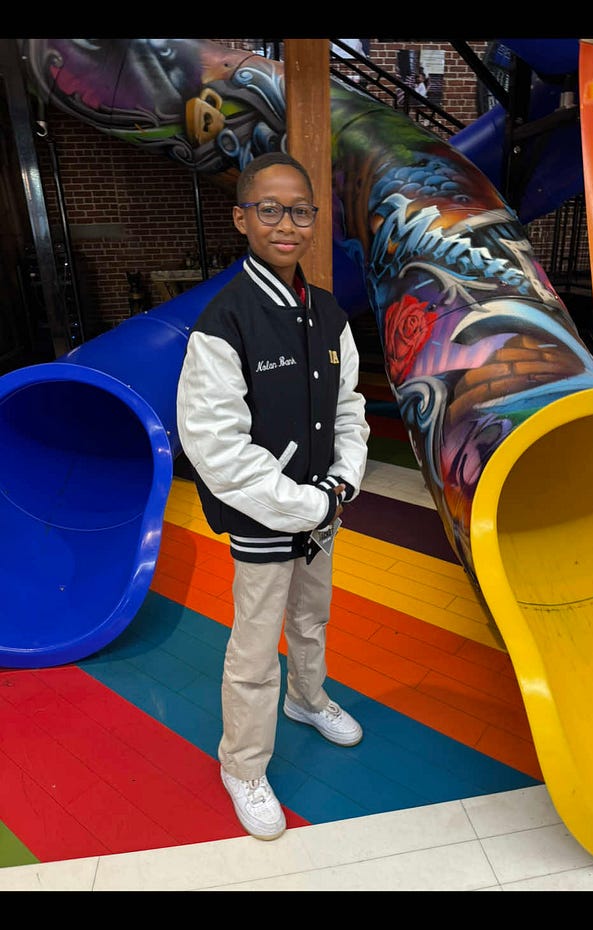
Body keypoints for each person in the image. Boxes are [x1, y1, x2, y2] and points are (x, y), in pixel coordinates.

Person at [176, 151, 370, 841]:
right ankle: (243, 764)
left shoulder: (329, 314)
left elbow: (350, 409)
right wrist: (307, 504)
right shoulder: (223, 321)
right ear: (242, 218)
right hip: (268, 521)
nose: (287, 224)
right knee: (256, 649)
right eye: (270, 210)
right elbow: (216, 448)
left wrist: (343, 480)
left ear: (315, 220)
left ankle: (308, 699)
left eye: (300, 211)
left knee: (312, 620)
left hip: (321, 513)